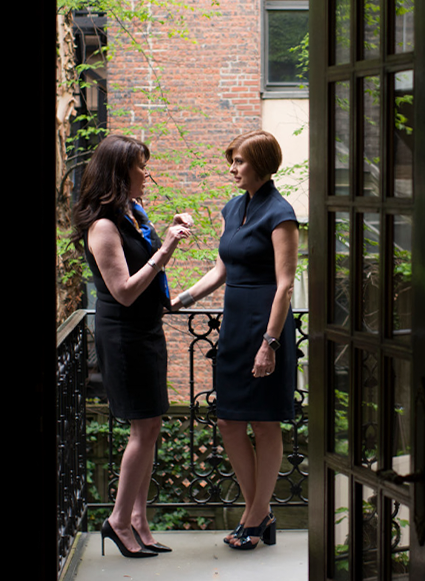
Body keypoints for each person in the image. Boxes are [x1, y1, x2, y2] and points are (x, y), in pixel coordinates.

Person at [171, 130, 298, 551]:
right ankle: (259, 512)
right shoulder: (232, 206)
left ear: (260, 163)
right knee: (228, 421)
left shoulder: (281, 214)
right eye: (232, 161)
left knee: (264, 422)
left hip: (265, 324)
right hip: (234, 323)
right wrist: (182, 298)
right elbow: (222, 269)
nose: (232, 168)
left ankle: (256, 515)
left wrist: (270, 343)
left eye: (239, 161)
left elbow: (285, 286)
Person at [72, 134, 192, 558]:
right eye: (141, 166)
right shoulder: (103, 225)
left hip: (146, 330)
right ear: (120, 173)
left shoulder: (132, 214)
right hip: (123, 335)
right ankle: (118, 520)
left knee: (151, 426)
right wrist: (167, 248)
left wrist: (165, 235)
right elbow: (122, 290)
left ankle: (138, 519)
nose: (147, 173)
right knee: (142, 430)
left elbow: (145, 269)